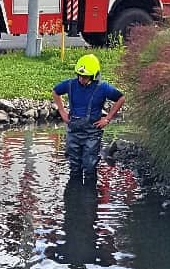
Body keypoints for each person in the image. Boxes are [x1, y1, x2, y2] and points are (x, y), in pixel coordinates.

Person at [52, 53, 125, 184]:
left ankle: (90, 192)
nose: (81, 79)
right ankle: (74, 192)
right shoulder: (70, 84)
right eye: (79, 76)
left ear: (93, 75)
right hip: (73, 131)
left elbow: (121, 98)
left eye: (85, 77)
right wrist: (62, 111)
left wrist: (107, 119)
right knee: (74, 166)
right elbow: (55, 92)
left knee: (90, 165)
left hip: (92, 132)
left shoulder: (102, 87)